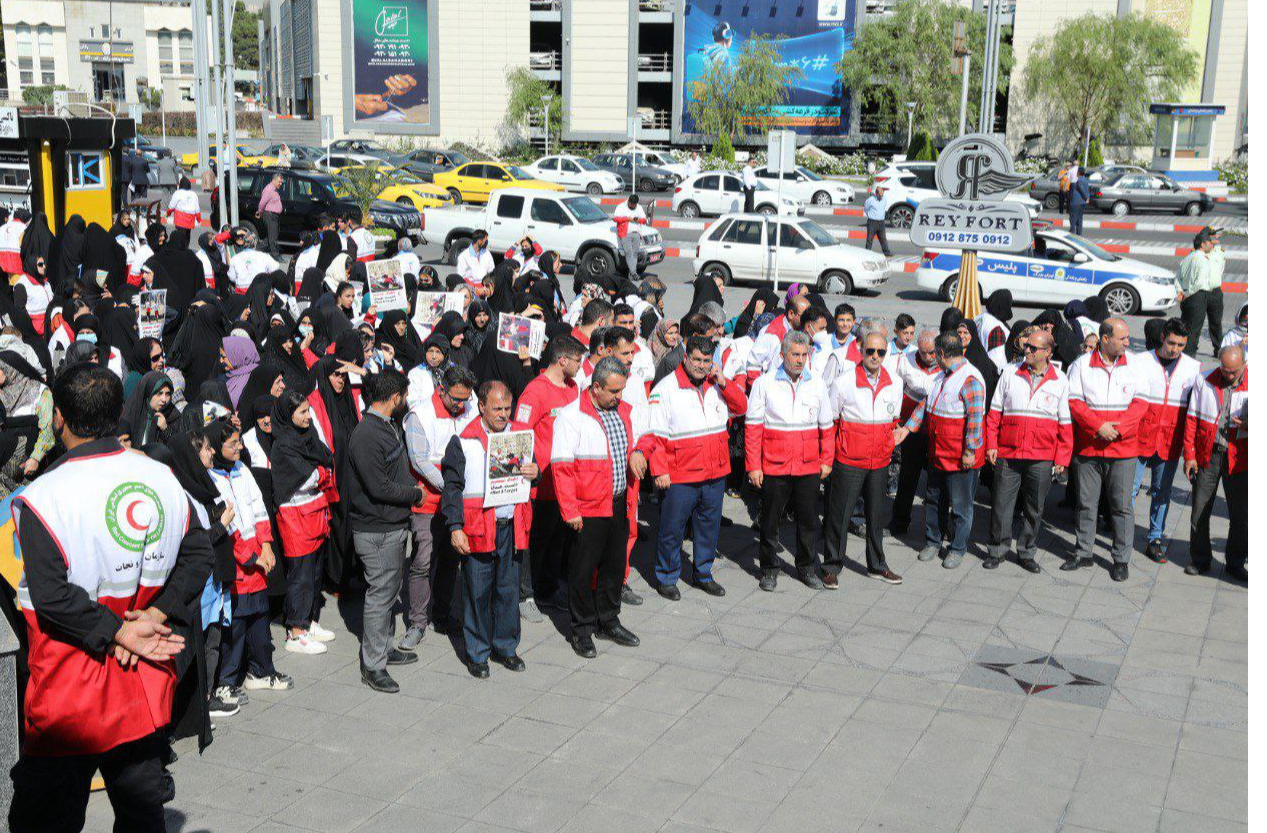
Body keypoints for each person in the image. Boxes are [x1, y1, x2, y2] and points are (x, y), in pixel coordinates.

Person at [8, 364, 211, 833]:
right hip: (141, 681)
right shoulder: (159, 476)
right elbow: (200, 551)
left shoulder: (44, 497)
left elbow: (52, 597)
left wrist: (121, 629)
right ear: (120, 413)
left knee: (46, 820)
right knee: (142, 815)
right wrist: (152, 615)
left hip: (68, 690)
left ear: (58, 418)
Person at [441, 380, 539, 679]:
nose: (503, 414)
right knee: (478, 593)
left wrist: (535, 473)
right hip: (478, 527)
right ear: (481, 406)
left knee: (508, 591)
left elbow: (532, 472)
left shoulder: (520, 436)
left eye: (507, 408)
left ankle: (506, 647)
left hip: (511, 526)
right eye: (497, 408)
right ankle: (478, 653)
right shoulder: (463, 439)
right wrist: (455, 526)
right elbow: (453, 487)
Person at [552, 356, 647, 657]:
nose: (620, 397)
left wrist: (639, 451)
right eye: (614, 392)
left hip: (618, 501)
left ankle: (608, 619)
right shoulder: (571, 417)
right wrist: (570, 510)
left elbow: (646, 436)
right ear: (595, 389)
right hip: (587, 508)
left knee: (614, 565)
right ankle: (581, 629)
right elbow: (562, 467)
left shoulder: (624, 411)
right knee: (582, 570)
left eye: (622, 391)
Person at [645, 335, 747, 599]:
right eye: (697, 360)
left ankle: (703, 573)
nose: (702, 366)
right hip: (680, 474)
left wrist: (724, 381)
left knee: (708, 528)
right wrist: (659, 471)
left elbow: (741, 406)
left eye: (707, 360)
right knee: (672, 529)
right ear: (685, 357)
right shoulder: (665, 388)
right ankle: (666, 576)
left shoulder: (717, 384)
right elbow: (655, 434)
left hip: (715, 472)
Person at [345, 369, 421, 693]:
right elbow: (379, 487)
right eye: (403, 396)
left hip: (390, 526)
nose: (405, 401)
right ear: (394, 398)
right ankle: (373, 666)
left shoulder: (385, 426)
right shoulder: (366, 434)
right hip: (376, 530)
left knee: (388, 592)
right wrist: (415, 494)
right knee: (380, 596)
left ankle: (384, 648)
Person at [205, 418, 293, 695]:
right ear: (218, 447)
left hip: (256, 557)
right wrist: (250, 555)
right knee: (237, 623)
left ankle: (262, 669)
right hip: (237, 562)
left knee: (260, 617)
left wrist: (266, 545)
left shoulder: (241, 468)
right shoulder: (211, 478)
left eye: (239, 441)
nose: (240, 447)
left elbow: (258, 507)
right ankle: (227, 682)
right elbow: (224, 524)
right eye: (233, 443)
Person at [745, 331, 830, 591]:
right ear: (782, 355)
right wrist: (754, 465)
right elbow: (753, 427)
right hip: (774, 464)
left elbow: (826, 425)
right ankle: (769, 569)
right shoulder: (764, 383)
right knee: (770, 521)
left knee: (807, 521)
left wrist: (827, 459)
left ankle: (806, 567)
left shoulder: (816, 383)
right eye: (795, 355)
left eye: (804, 355)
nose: (800, 360)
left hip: (807, 465)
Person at [894, 331, 986, 570]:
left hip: (959, 457)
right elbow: (925, 406)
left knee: (961, 506)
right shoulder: (941, 376)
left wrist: (970, 451)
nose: (933, 357)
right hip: (938, 453)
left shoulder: (969, 379)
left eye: (936, 353)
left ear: (942, 353)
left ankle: (957, 547)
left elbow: (976, 419)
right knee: (934, 500)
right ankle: (933, 541)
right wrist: (907, 429)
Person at [1065, 318, 1147, 581]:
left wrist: (1118, 428)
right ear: (1105, 339)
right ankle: (1083, 551)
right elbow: (1074, 402)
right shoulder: (1081, 365)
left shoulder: (1134, 364)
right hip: (1089, 446)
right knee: (1086, 503)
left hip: (1123, 449)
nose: (1127, 343)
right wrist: (1098, 426)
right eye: (1122, 338)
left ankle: (1121, 559)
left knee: (1121, 506)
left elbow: (1141, 402)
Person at [820, 331, 905, 586]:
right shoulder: (843, 381)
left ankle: (877, 565)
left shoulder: (896, 383)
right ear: (861, 351)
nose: (875, 357)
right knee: (839, 516)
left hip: (879, 461)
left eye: (880, 352)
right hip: (849, 460)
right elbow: (831, 421)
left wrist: (890, 442)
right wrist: (828, 458)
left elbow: (893, 420)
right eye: (870, 351)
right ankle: (831, 565)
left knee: (876, 516)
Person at [401, 364, 477, 649]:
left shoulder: (469, 409)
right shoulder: (421, 415)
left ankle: (442, 614)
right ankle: (417, 622)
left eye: (465, 399)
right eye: (455, 399)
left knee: (450, 559)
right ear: (441, 390)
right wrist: (452, 490)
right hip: (430, 500)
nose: (460, 405)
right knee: (422, 561)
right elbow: (419, 460)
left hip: (459, 500)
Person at [983, 329, 1072, 572]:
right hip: (1009, 453)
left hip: (1041, 456)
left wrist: (1062, 459)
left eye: (1033, 348)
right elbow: (994, 413)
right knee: (1001, 504)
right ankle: (997, 550)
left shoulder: (1060, 380)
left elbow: (1065, 424)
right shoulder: (1011, 372)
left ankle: (1026, 552)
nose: (1028, 351)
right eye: (1027, 346)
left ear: (1047, 352)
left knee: (1035, 508)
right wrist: (991, 444)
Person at [514, 335, 583, 620]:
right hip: (539, 484)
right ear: (562, 360)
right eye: (578, 360)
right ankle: (526, 594)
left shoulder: (573, 388)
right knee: (533, 541)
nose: (581, 366)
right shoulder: (535, 391)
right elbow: (520, 432)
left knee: (557, 538)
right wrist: (530, 469)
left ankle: (548, 587)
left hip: (564, 482)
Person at [271, 390, 337, 655]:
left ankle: (308, 621)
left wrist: (321, 472)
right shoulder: (284, 445)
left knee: (314, 571)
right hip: (295, 516)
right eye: (302, 412)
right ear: (289, 414)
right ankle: (296, 631)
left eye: (308, 410)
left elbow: (326, 459)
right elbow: (307, 477)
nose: (308, 416)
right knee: (301, 573)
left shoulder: (307, 436)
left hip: (314, 512)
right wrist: (321, 473)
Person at [1133, 318, 1201, 563]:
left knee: (1162, 493)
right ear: (1163, 337)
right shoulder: (1140, 361)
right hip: (1139, 437)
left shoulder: (1194, 367)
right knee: (1129, 491)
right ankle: (1123, 534)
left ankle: (1155, 538)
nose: (1175, 349)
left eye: (1181, 345)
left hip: (1170, 440)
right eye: (1171, 342)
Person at [1182, 345, 1247, 580]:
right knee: (1200, 508)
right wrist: (1189, 454)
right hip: (1208, 454)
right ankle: (1200, 558)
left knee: (1241, 514)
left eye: (1234, 372)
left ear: (1244, 365)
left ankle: (1236, 562)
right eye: (1225, 370)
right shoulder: (1205, 380)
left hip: (1240, 457)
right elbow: (1192, 418)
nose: (1229, 376)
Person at [1174, 227, 1226, 357]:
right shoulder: (1198, 256)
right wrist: (1183, 292)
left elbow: (1221, 269)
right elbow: (1194, 280)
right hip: (1199, 293)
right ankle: (1189, 353)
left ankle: (1218, 349)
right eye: (1211, 238)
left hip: (1214, 292)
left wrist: (1182, 292)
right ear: (1204, 242)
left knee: (1216, 323)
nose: (1214, 239)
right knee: (1194, 325)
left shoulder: (1219, 253)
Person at [614, 194, 648, 277]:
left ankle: (632, 272)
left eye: (634, 205)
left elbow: (644, 220)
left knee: (635, 253)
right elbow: (615, 218)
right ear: (628, 201)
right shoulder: (621, 207)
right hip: (625, 233)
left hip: (636, 233)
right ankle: (633, 273)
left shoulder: (639, 208)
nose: (633, 206)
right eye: (631, 205)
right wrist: (627, 218)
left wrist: (638, 219)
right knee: (628, 252)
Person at [256, 173, 284, 258]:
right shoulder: (269, 189)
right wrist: (259, 212)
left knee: (271, 236)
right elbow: (262, 203)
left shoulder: (274, 189)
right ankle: (275, 255)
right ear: (274, 180)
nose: (281, 184)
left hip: (274, 216)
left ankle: (257, 249)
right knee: (273, 237)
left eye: (282, 182)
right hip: (270, 215)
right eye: (279, 182)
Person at [864, 185, 892, 257]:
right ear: (876, 194)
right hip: (872, 222)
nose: (881, 197)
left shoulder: (884, 199)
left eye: (882, 195)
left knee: (883, 239)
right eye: (880, 195)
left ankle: (887, 253)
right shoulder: (870, 200)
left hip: (881, 222)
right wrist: (870, 215)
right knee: (869, 239)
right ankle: (867, 253)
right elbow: (866, 209)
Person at [1067, 167, 1091, 236]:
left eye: (1077, 172)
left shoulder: (1079, 180)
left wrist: (1086, 198)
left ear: (1079, 173)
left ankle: (1072, 233)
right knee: (1079, 218)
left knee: (1073, 218)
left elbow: (1082, 190)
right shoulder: (1085, 180)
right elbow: (1087, 190)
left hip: (1076, 202)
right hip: (1082, 202)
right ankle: (1079, 234)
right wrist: (1087, 198)